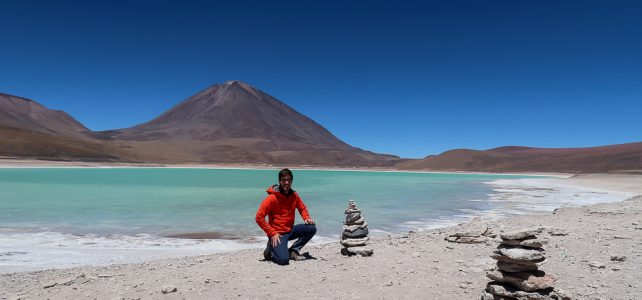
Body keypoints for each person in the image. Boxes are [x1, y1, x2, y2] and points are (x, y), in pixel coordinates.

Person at [255, 168, 316, 265]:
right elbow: (259, 217)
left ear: (292, 181)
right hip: (277, 234)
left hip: (290, 230)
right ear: (279, 181)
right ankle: (270, 250)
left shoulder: (294, 195)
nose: (286, 183)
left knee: (312, 228)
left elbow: (302, 208)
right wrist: (272, 233)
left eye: (289, 180)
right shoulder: (272, 198)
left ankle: (293, 250)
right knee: (283, 260)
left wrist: (307, 218)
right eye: (284, 180)